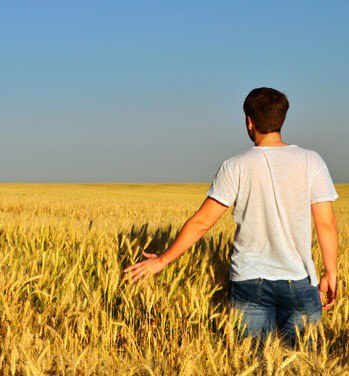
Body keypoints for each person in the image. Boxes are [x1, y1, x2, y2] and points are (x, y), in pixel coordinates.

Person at [123, 87, 339, 349]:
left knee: (251, 361)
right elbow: (326, 224)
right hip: (300, 280)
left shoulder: (235, 165)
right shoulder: (311, 161)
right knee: (302, 362)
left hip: (249, 281)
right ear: (282, 119)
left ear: (249, 121)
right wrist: (331, 272)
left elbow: (202, 223)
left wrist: (162, 261)